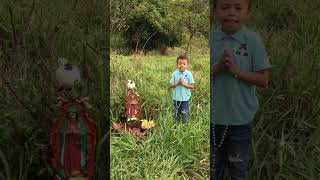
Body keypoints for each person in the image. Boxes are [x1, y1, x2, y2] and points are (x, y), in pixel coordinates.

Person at [210, 0, 271, 179]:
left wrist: (236, 72)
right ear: (215, 11)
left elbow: (264, 80)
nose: (231, 12)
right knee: (214, 169)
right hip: (213, 121)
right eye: (225, 7)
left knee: (238, 169)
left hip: (241, 121)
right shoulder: (211, 40)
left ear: (247, 13)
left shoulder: (253, 41)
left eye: (238, 8)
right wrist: (217, 69)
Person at [169, 54, 195, 124]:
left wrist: (183, 84)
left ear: (187, 65)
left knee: (184, 113)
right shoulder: (174, 74)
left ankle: (184, 126)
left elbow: (192, 86)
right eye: (180, 63)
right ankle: (177, 125)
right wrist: (177, 83)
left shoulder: (189, 74)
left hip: (185, 99)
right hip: (176, 98)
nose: (182, 65)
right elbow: (170, 85)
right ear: (177, 65)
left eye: (184, 64)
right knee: (176, 113)